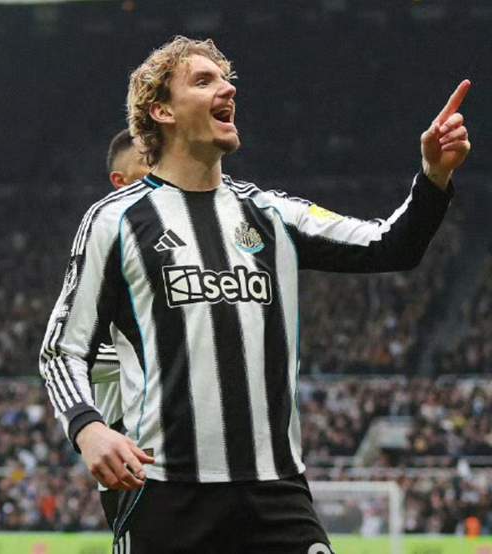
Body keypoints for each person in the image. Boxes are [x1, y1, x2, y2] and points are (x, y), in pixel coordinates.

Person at [40, 36, 471, 553]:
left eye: (227, 80)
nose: (227, 89)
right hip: (168, 496)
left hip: (276, 494)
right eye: (204, 81)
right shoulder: (115, 221)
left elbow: (390, 245)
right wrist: (87, 428)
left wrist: (434, 176)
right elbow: (62, 349)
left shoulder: (272, 214)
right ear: (162, 111)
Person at [92, 129, 149, 529]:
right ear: (120, 180)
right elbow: (74, 355)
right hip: (130, 459)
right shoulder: (106, 249)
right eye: (147, 162)